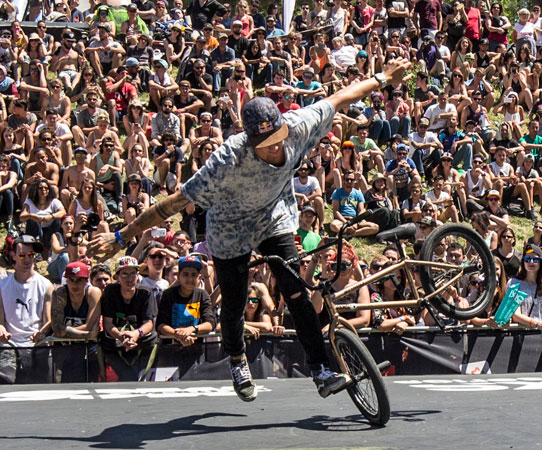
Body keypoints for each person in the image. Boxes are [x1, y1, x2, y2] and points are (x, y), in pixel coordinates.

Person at [96, 56, 412, 401]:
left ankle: (321, 368)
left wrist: (383, 76)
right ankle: (236, 360)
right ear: (248, 138)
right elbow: (170, 204)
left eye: (278, 138)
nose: (275, 147)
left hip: (273, 218)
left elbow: (341, 98)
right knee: (233, 301)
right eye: (266, 144)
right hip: (230, 230)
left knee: (296, 291)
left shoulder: (299, 124)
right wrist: (121, 236)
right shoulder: (227, 160)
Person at [0, 235, 53, 346]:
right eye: (21, 255)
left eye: (31, 255)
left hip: (37, 345)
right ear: (13, 256)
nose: (27, 259)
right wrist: (0, 331)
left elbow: (48, 321)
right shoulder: (0, 286)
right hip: (10, 345)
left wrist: (42, 332)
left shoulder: (46, 285)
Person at [156, 255, 216, 347]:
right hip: (169, 351)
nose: (190, 279)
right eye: (185, 274)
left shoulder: (202, 295)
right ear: (179, 276)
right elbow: (161, 325)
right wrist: (180, 336)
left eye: (193, 275)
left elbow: (210, 323)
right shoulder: (168, 294)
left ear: (199, 277)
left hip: (196, 350)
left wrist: (191, 329)